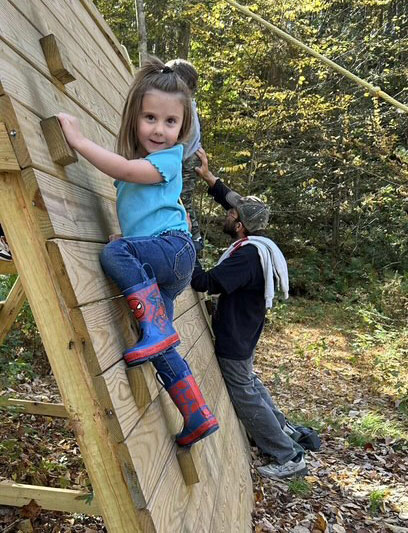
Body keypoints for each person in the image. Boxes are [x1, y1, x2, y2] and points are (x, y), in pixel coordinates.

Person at [57, 56, 218, 447]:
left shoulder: (167, 160)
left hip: (174, 250)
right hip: (163, 254)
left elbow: (125, 173)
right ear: (134, 117)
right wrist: (126, 240)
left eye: (170, 122)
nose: (160, 130)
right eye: (150, 118)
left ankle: (157, 327)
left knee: (114, 258)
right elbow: (140, 212)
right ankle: (196, 413)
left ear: (183, 128)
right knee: (159, 343)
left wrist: (78, 142)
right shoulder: (146, 159)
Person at [190, 148, 308, 479]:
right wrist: (209, 177)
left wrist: (187, 239)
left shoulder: (247, 258)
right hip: (245, 329)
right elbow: (235, 199)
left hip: (236, 336)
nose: (227, 214)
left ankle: (287, 455)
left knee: (245, 394)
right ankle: (284, 433)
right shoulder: (257, 241)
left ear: (240, 226)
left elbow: (205, 282)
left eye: (232, 214)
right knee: (250, 384)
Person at [165, 59, 203, 253]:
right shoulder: (184, 102)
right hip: (188, 154)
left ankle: (194, 239)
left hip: (188, 158)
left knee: (184, 198)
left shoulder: (185, 107)